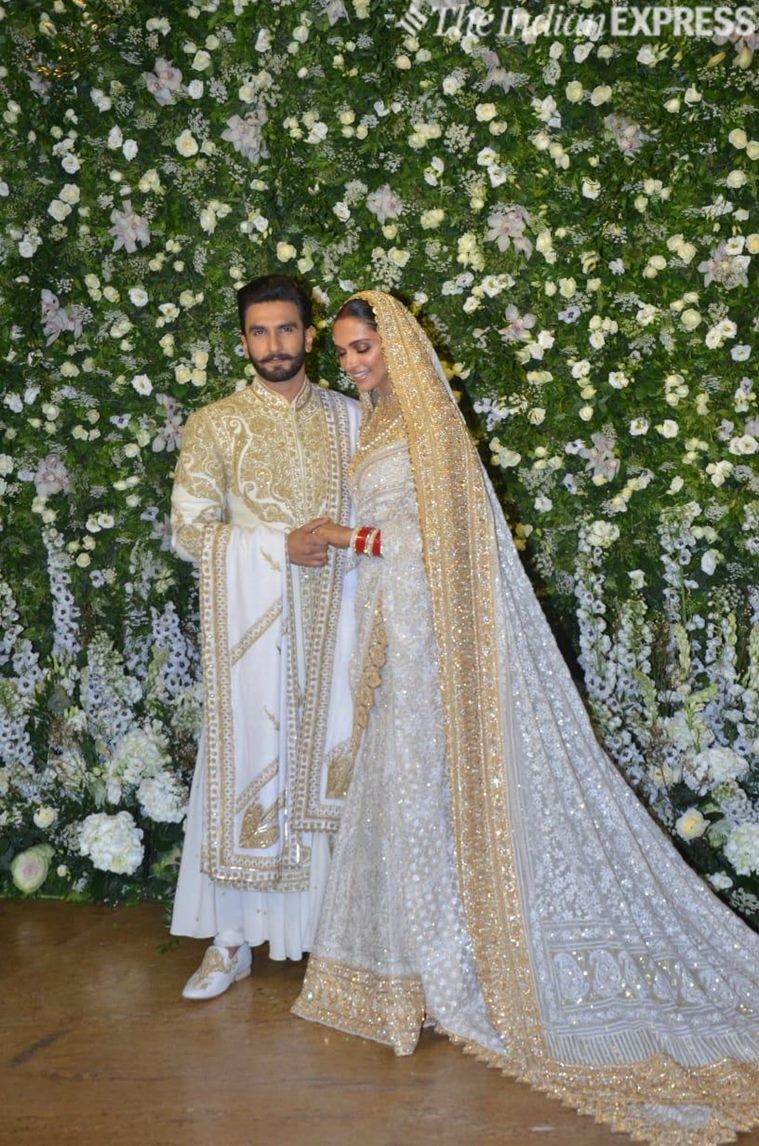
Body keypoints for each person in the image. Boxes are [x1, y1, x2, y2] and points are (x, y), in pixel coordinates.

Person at [293, 290, 759, 1144]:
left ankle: (456, 969)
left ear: (395, 345)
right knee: (404, 795)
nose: (354, 365)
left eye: (365, 349)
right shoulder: (378, 427)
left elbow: (445, 543)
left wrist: (342, 538)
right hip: (398, 633)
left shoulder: (427, 429)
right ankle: (421, 971)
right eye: (346, 354)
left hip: (440, 641)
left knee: (431, 787)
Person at [169, 274, 361, 999]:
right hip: (257, 632)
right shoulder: (214, 423)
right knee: (247, 769)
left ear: (309, 335)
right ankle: (230, 941)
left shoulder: (353, 418)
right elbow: (190, 531)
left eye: (286, 330)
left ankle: (340, 940)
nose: (273, 346)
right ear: (243, 339)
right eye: (259, 332)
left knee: (339, 768)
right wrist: (278, 547)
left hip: (343, 622)